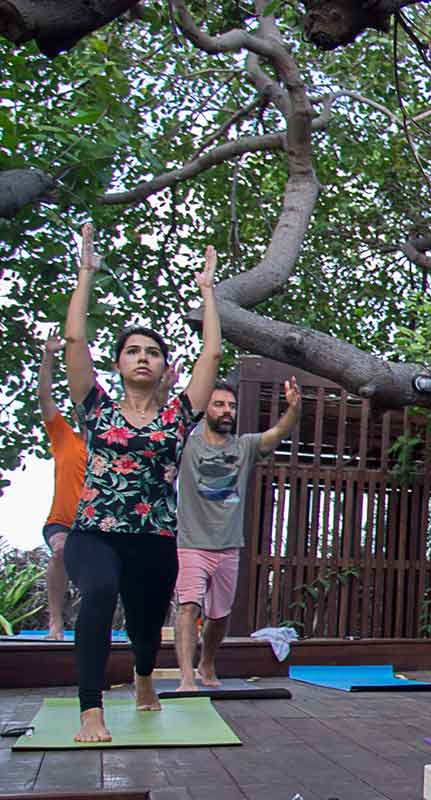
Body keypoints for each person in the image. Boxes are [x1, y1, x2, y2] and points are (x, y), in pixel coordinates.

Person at [62, 223, 222, 742]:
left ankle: (144, 675)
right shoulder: (96, 409)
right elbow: (74, 339)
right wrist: (86, 275)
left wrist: (207, 294)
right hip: (94, 531)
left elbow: (212, 357)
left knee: (146, 623)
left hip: (154, 536)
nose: (142, 358)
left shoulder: (178, 416)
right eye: (132, 351)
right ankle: (90, 709)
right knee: (101, 591)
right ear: (118, 364)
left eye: (151, 352)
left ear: (163, 367)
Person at [172, 376, 300, 692]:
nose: (227, 411)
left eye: (231, 406)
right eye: (219, 404)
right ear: (205, 410)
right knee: (188, 606)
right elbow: (164, 422)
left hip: (228, 547)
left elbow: (278, 433)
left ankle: (208, 661)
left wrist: (293, 409)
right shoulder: (187, 445)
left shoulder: (244, 447)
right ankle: (187, 676)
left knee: (219, 616)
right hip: (190, 544)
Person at [34, 332, 85, 640]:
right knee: (60, 552)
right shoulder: (64, 436)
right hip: (62, 522)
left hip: (97, 526)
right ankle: (55, 621)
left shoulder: (111, 443)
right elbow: (44, 397)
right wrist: (49, 356)